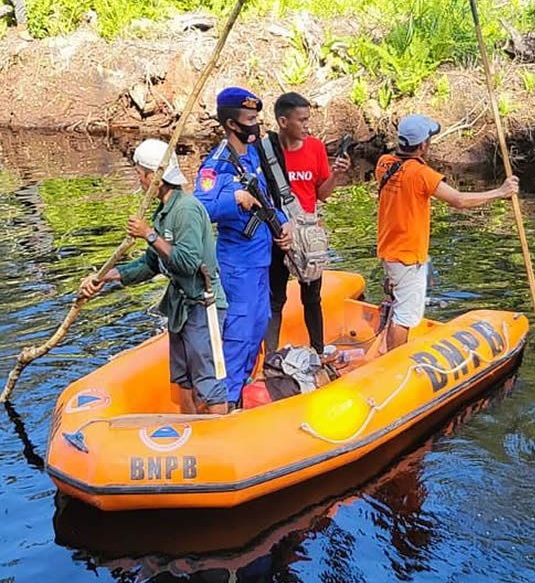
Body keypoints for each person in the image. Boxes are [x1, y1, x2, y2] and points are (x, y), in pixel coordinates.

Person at [79, 139, 229, 415]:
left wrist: (149, 234)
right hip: (179, 307)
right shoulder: (162, 213)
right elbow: (149, 265)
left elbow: (187, 262)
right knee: (182, 377)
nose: (137, 177)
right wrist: (105, 277)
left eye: (140, 172)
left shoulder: (186, 210)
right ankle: (190, 425)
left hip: (202, 305)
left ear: (155, 177)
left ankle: (220, 430)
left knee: (207, 379)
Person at [376, 114, 519, 351]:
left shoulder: (384, 164)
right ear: (422, 145)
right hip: (407, 255)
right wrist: (500, 192)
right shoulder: (421, 174)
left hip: (389, 249)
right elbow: (459, 200)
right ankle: (394, 360)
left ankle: (390, 348)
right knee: (406, 315)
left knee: (401, 300)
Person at [194, 87, 292, 406]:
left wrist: (282, 222)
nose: (255, 125)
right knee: (239, 332)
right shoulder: (218, 165)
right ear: (232, 124)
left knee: (260, 322)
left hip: (261, 258)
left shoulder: (252, 157)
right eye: (249, 119)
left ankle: (245, 385)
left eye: (256, 118)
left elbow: (265, 201)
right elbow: (200, 207)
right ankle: (230, 398)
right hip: (237, 265)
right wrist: (233, 199)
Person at [263, 92, 350, 356]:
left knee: (312, 297)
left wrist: (336, 174)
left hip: (308, 235)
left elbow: (321, 194)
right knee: (275, 298)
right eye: (301, 120)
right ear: (283, 121)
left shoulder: (315, 148)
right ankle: (271, 357)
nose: (306, 126)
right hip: (278, 234)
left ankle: (319, 350)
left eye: (308, 119)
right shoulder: (266, 150)